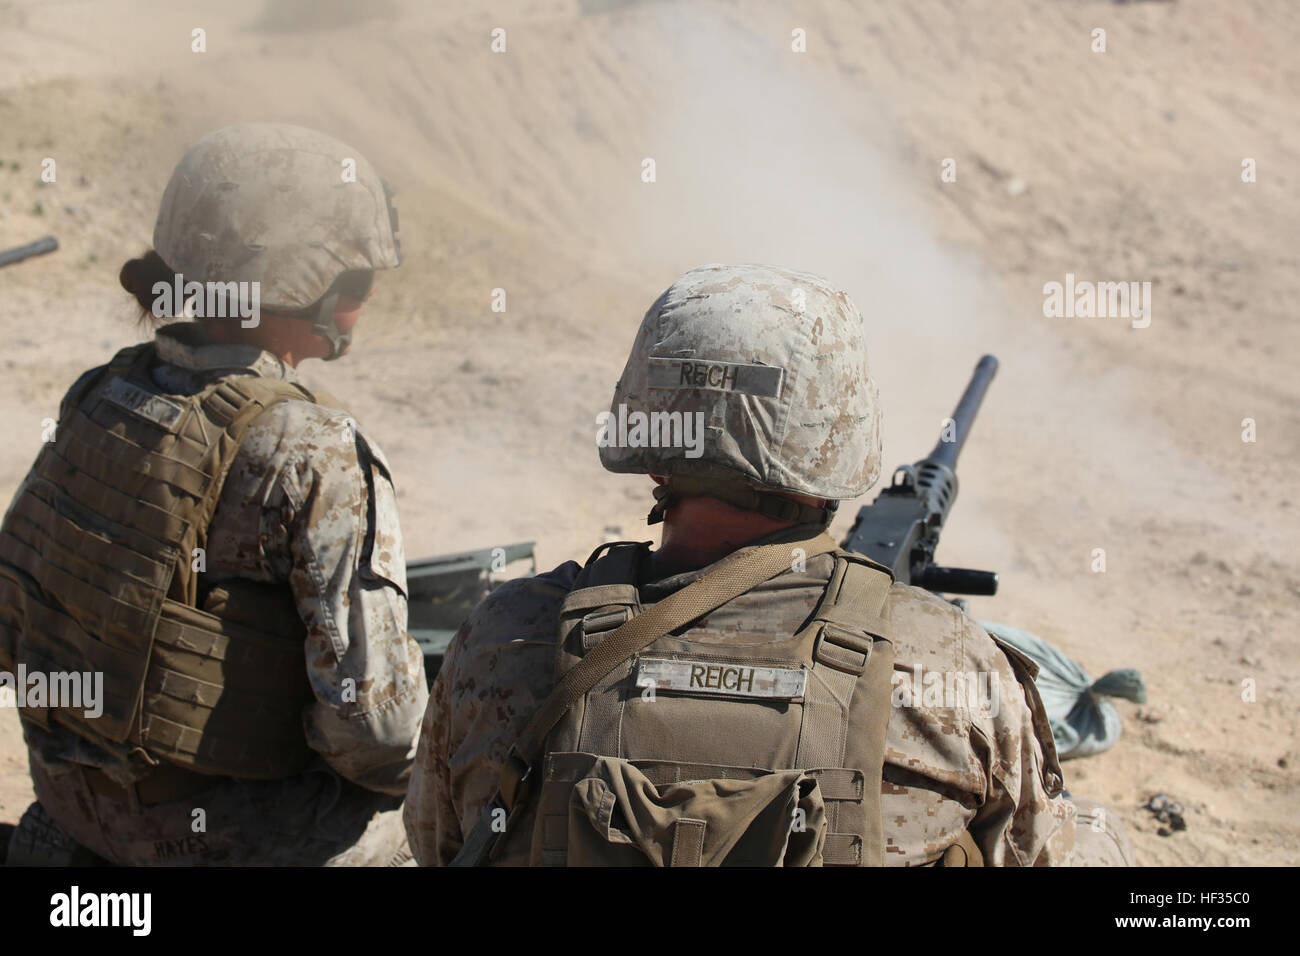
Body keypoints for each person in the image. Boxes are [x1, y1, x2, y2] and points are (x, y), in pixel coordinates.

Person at [404, 262, 1133, 866]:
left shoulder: (506, 633)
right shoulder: (950, 661)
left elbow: (436, 842)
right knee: (1100, 839)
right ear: (835, 445)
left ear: (653, 444)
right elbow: (1032, 850)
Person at [0, 123, 427, 866]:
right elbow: (377, 734)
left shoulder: (99, 394)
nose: (364, 299)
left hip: (76, 800)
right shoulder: (315, 447)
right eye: (357, 282)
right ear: (304, 284)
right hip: (227, 840)